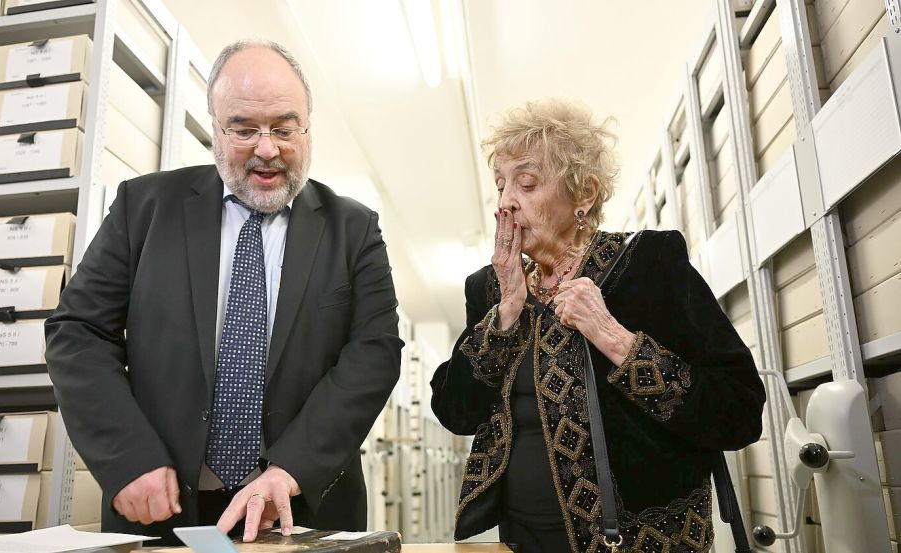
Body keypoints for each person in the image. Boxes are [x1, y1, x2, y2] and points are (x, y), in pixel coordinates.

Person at [45, 40, 403, 545]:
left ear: (307, 127)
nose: (266, 148)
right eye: (243, 128)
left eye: (283, 128)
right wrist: (127, 457)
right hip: (164, 509)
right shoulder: (144, 208)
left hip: (301, 507)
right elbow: (77, 333)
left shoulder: (353, 229)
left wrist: (292, 468)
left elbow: (375, 353)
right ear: (214, 127)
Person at [430, 98, 766, 552]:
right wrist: (506, 313)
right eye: (501, 185)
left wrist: (614, 337)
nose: (507, 202)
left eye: (526, 183)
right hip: (520, 540)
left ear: (584, 194)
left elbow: (739, 411)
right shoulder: (489, 288)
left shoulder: (649, 264)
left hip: (641, 542)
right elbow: (456, 412)